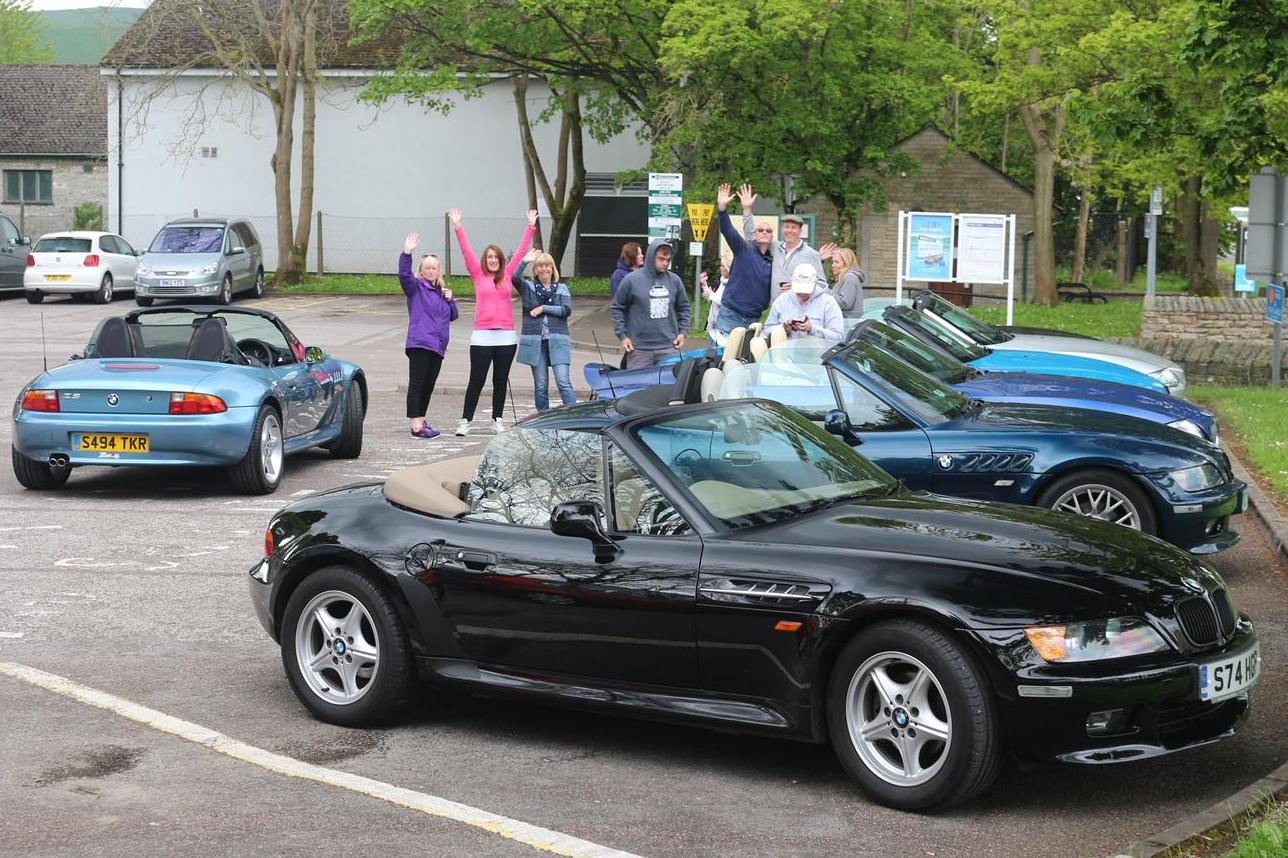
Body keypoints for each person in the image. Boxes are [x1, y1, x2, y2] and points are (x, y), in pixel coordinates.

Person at [449, 207, 536, 435]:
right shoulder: (477, 274)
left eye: (496, 257)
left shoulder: (507, 274)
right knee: (476, 380)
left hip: (506, 336)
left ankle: (497, 419)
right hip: (482, 336)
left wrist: (530, 227)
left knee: (500, 380)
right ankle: (465, 420)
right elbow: (466, 251)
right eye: (489, 257)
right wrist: (458, 227)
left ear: (501, 260)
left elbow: (520, 252)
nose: (493, 260)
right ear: (484, 261)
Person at [398, 232, 458, 439]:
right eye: (427, 268)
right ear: (421, 271)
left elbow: (453, 316)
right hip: (421, 343)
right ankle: (416, 425)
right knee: (417, 384)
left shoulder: (441, 291)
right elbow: (404, 275)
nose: (431, 270)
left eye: (434, 267)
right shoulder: (415, 288)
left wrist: (451, 300)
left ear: (438, 270)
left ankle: (421, 420)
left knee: (428, 386)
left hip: (437, 346)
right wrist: (407, 252)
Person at [612, 239, 691, 369]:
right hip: (639, 350)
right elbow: (617, 307)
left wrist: (683, 332)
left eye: (668, 260)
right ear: (650, 257)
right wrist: (622, 336)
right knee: (640, 388)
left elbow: (684, 308)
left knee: (669, 388)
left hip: (669, 347)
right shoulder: (631, 280)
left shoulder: (674, 281)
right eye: (661, 259)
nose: (665, 263)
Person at [513, 249, 575, 411]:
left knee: (563, 382)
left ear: (553, 269)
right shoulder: (529, 288)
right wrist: (524, 261)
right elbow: (513, 278)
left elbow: (566, 310)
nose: (544, 269)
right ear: (535, 270)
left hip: (558, 340)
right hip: (536, 343)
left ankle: (574, 418)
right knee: (541, 386)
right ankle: (543, 420)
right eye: (540, 266)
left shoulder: (562, 288)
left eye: (547, 265)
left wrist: (543, 308)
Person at [714, 183, 774, 338]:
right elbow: (728, 230)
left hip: (753, 320)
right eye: (760, 230)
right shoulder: (744, 248)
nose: (764, 232)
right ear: (755, 234)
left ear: (772, 236)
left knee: (745, 361)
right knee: (721, 358)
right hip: (730, 315)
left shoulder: (773, 261)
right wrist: (722, 207)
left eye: (768, 230)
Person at [740, 187, 826, 292]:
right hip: (777, 306)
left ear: (800, 231)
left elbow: (822, 285)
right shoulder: (774, 247)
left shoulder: (811, 254)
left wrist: (800, 286)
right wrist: (747, 209)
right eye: (786, 227)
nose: (789, 230)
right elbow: (752, 237)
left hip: (799, 306)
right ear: (782, 229)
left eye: (793, 227)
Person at [763, 262, 844, 342]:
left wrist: (812, 329)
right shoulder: (781, 300)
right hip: (785, 353)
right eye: (799, 292)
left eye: (806, 292)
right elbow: (766, 331)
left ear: (815, 284)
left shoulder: (828, 302)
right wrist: (783, 329)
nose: (802, 295)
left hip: (818, 353)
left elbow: (838, 337)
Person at [820, 244, 865, 316]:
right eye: (833, 262)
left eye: (836, 262)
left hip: (848, 323)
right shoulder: (845, 277)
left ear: (847, 263)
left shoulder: (849, 277)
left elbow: (845, 303)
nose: (833, 265)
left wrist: (825, 292)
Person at [701, 251, 732, 344]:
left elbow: (727, 302)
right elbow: (712, 299)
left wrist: (711, 294)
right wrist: (704, 285)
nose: (720, 268)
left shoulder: (733, 284)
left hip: (724, 326)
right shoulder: (722, 282)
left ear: (728, 268)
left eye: (723, 266)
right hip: (714, 325)